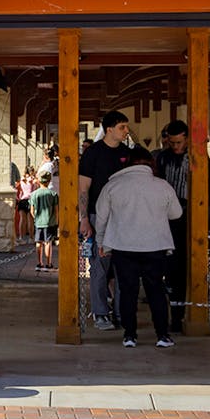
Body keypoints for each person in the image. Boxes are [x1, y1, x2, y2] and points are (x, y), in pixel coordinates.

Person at [95, 147, 182, 349]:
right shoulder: (162, 186)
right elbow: (176, 213)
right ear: (150, 164)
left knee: (127, 291)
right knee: (156, 291)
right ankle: (162, 335)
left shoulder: (113, 186)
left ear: (128, 164)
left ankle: (129, 335)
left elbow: (101, 218)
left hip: (123, 247)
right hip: (155, 246)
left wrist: (101, 243)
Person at [153, 119, 210, 333]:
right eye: (172, 142)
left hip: (191, 219)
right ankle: (173, 315)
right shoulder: (161, 159)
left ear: (187, 139)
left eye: (179, 142)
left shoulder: (198, 160)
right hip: (165, 220)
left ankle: (185, 314)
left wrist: (205, 220)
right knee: (168, 270)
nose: (175, 147)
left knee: (188, 268)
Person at [78, 110, 132, 331]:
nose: (126, 131)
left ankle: (121, 313)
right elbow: (83, 188)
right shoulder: (93, 154)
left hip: (124, 218)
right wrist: (84, 219)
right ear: (109, 129)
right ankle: (101, 313)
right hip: (97, 217)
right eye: (122, 127)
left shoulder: (128, 154)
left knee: (123, 268)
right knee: (99, 268)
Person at [30, 172, 58, 272]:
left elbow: (32, 211)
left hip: (38, 222)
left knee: (38, 243)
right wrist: (56, 221)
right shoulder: (53, 194)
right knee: (48, 243)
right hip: (50, 222)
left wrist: (36, 218)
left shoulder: (34, 194)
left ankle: (39, 263)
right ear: (49, 180)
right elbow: (56, 211)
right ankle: (48, 264)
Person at [15, 166, 36, 245]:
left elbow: (18, 189)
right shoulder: (32, 180)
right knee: (30, 220)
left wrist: (18, 198)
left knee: (22, 220)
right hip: (30, 200)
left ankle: (21, 237)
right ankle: (31, 238)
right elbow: (34, 190)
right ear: (32, 171)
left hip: (22, 200)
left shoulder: (22, 180)